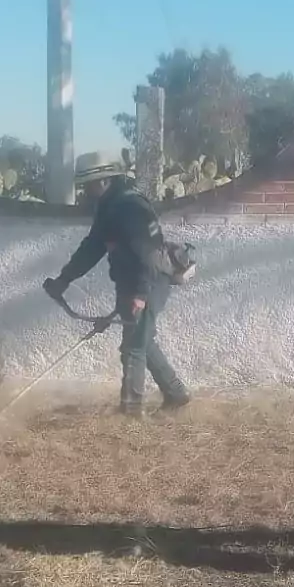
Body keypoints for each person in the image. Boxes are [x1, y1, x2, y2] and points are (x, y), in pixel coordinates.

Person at [44, 151, 193, 417]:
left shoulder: (130, 208)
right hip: (130, 281)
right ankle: (176, 394)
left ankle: (131, 413)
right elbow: (92, 248)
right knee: (143, 340)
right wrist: (64, 280)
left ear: (104, 181)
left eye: (89, 185)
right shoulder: (109, 207)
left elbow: (147, 253)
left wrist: (139, 293)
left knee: (133, 345)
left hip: (148, 280)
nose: (86, 191)